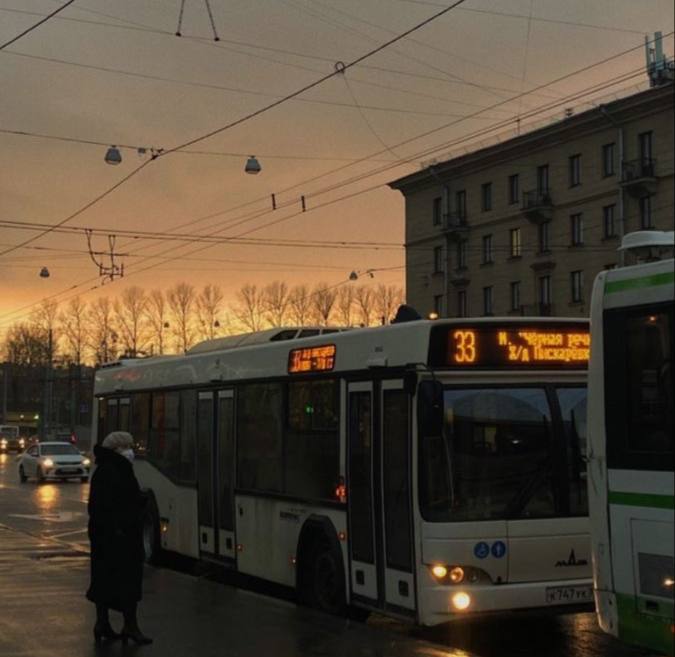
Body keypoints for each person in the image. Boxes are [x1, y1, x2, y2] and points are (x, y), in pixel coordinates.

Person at [86, 431, 152, 645]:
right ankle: (129, 626)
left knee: (105, 582)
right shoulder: (115, 471)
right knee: (127, 583)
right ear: (117, 450)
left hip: (106, 538)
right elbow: (114, 504)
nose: (131, 451)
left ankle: (103, 624)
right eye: (127, 447)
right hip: (119, 539)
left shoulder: (107, 469)